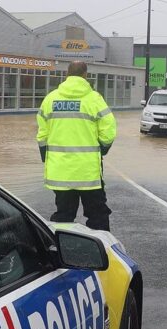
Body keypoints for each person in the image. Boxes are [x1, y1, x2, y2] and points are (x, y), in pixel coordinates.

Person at [36, 61, 117, 231]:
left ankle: (60, 251)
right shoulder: (94, 99)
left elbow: (42, 135)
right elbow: (109, 131)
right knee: (97, 215)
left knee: (63, 215)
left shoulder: (50, 99)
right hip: (88, 172)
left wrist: (46, 155)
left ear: (67, 75)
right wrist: (101, 149)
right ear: (85, 75)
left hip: (61, 171)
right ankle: (101, 251)